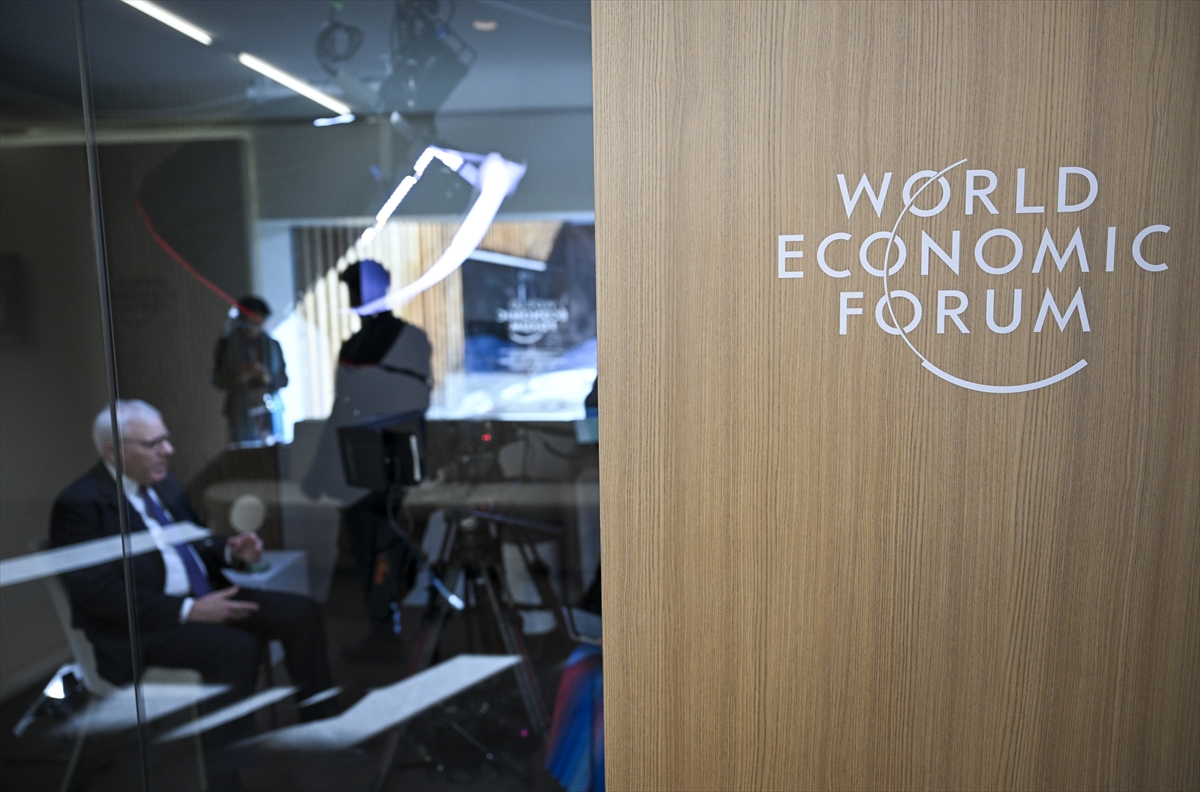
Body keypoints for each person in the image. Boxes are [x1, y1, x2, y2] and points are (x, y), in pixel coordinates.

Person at [49, 401, 335, 757]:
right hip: (146, 624)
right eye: (153, 444)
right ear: (114, 452)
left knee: (301, 612)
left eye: (165, 439)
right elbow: (97, 595)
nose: (168, 450)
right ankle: (224, 770)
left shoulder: (164, 484)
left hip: (203, 597)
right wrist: (188, 610)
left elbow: (195, 541)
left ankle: (320, 722)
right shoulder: (80, 505)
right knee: (237, 649)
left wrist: (230, 550)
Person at [302, 260, 431, 653]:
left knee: (389, 551)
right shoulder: (353, 345)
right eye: (351, 290)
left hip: (393, 465)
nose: (355, 297)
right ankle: (381, 630)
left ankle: (390, 630)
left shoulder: (408, 338)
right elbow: (342, 410)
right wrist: (320, 470)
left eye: (359, 289)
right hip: (356, 466)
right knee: (364, 551)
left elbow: (412, 403)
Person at [212, 296, 288, 445]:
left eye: (257, 321)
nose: (253, 326)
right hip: (239, 412)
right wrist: (239, 377)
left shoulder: (273, 345)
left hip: (269, 411)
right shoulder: (227, 345)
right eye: (250, 321)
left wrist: (267, 378)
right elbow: (217, 379)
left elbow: (284, 380)